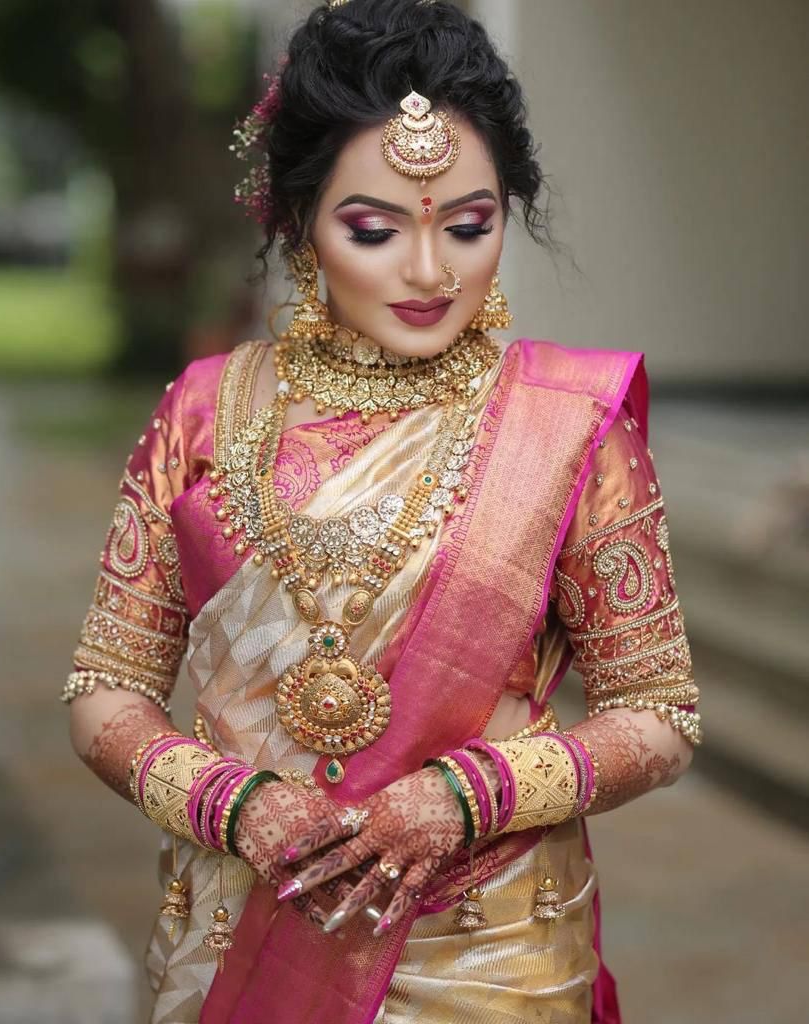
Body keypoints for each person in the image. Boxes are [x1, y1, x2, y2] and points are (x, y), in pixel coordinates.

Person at [63, 2, 702, 1021]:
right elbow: (106, 689)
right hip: (243, 934)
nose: (429, 271)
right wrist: (236, 804)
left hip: (493, 954)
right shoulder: (203, 412)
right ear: (300, 218)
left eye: (469, 224)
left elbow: (658, 716)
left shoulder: (569, 431)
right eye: (374, 228)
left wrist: (466, 796)